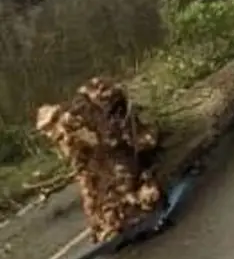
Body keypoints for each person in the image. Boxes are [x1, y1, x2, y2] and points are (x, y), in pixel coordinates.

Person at [36, 77, 163, 243]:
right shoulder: (65, 137)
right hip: (99, 159)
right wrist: (94, 219)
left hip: (116, 150)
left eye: (51, 124)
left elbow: (109, 144)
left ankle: (135, 207)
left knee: (123, 188)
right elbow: (82, 171)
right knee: (99, 197)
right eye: (46, 129)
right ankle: (110, 221)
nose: (50, 133)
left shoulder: (80, 119)